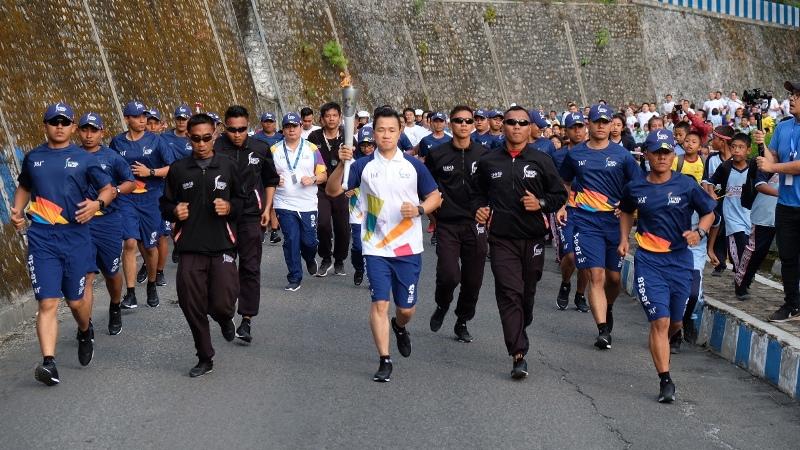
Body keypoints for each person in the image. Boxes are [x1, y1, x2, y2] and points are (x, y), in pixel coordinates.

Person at [326, 107, 442, 383]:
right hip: (375, 245)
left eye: (392, 130)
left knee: (406, 309)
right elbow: (332, 191)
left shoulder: (413, 166)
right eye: (381, 130)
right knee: (380, 303)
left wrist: (420, 210)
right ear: (373, 132)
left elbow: (436, 196)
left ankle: (400, 327)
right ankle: (385, 359)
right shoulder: (362, 165)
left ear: (400, 133)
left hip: (407, 247)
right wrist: (342, 164)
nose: (386, 135)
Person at [11, 103, 115, 385]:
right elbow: (24, 186)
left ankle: (84, 330)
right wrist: (18, 211)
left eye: (64, 122)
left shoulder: (84, 158)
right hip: (42, 237)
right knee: (47, 302)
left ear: (72, 127)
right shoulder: (33, 158)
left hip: (76, 236)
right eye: (53, 122)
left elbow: (108, 188)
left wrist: (97, 204)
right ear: (45, 126)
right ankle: (49, 363)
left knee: (76, 301)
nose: (59, 126)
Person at [618, 129, 716, 403]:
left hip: (680, 261)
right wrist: (624, 239)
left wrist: (700, 233)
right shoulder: (635, 187)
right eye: (656, 152)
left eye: (667, 152)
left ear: (674, 155)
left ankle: (671, 336)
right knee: (659, 321)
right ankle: (665, 380)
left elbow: (709, 211)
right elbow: (626, 210)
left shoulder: (685, 184)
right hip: (649, 261)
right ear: (646, 154)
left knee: (674, 321)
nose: (662, 157)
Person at [472, 105, 568, 378]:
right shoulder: (490, 162)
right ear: (502, 126)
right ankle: (518, 353)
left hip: (533, 238)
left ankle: (522, 320)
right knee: (508, 292)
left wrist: (540, 202)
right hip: (501, 239)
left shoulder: (541, 160)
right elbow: (477, 194)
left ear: (530, 128)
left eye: (522, 123)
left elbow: (559, 195)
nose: (516, 126)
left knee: (526, 293)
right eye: (511, 122)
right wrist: (480, 208)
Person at [160, 113, 244, 377]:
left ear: (215, 136)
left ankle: (223, 317)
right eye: (195, 138)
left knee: (222, 303)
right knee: (190, 304)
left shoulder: (228, 166)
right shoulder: (178, 169)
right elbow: (164, 205)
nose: (201, 143)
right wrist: (175, 211)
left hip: (222, 246)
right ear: (189, 138)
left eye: (206, 138)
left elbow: (244, 202)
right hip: (190, 248)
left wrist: (230, 206)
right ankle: (205, 356)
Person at [558, 104, 641, 350]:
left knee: (613, 279)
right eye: (597, 121)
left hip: (613, 223)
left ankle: (609, 305)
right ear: (589, 124)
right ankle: (603, 330)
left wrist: (625, 205)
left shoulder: (623, 155)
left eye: (606, 122)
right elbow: (565, 180)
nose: (602, 126)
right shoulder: (575, 155)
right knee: (596, 275)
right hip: (585, 221)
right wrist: (566, 203)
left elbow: (637, 185)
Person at [214, 105, 280, 343]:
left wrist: (267, 208)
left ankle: (247, 320)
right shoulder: (215, 148)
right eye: (232, 130)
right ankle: (225, 314)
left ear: (248, 127)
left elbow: (271, 180)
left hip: (252, 215)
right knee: (223, 270)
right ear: (224, 128)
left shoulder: (261, 148)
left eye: (242, 129)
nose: (237, 134)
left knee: (250, 268)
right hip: (221, 218)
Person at [424, 106, 487, 342]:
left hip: (475, 225)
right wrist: (433, 218)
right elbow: (426, 188)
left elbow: (492, 189)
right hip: (447, 224)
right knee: (449, 275)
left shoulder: (484, 154)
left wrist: (488, 211)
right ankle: (442, 305)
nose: (463, 124)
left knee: (473, 280)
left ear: (472, 124)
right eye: (458, 120)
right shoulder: (438, 154)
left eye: (467, 120)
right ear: (450, 123)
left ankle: (462, 319)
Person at [110, 101, 175, 309]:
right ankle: (130, 293)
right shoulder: (117, 142)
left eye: (144, 116)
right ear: (127, 118)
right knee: (129, 242)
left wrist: (151, 173)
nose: (142, 120)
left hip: (151, 198)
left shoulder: (156, 141)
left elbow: (173, 167)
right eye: (137, 116)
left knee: (150, 246)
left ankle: (152, 283)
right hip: (127, 198)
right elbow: (111, 168)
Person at [77, 113, 135, 336]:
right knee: (87, 276)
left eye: (94, 130)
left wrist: (115, 191)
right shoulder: (71, 157)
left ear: (102, 132)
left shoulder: (112, 158)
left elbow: (130, 181)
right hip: (82, 223)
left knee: (111, 272)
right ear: (78, 131)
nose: (89, 135)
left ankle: (115, 305)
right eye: (85, 130)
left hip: (108, 221)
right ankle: (86, 325)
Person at [755, 80, 800, 322]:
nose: (791, 99)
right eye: (791, 95)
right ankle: (792, 304)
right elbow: (774, 155)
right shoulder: (784, 127)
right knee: (788, 257)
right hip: (786, 204)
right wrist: (763, 145)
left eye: (797, 95)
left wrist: (772, 166)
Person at [271, 112, 327, 291]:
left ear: (300, 127)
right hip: (283, 202)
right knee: (291, 239)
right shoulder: (274, 150)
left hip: (308, 203)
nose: (291, 130)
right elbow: (266, 174)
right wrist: (273, 179)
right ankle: (295, 277)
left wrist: (312, 179)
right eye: (287, 127)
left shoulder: (312, 149)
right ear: (283, 129)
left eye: (294, 126)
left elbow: (323, 174)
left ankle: (309, 258)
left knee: (309, 242)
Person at [307, 102, 356, 277]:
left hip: (342, 189)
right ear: (321, 119)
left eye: (335, 115)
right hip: (320, 189)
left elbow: (356, 165)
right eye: (327, 116)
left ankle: (340, 260)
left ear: (340, 117)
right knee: (323, 224)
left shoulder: (348, 137)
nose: (331, 119)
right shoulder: (314, 137)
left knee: (343, 227)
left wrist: (353, 187)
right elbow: (308, 161)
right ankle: (326, 257)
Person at [706, 133, 752, 296]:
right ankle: (740, 285)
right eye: (734, 147)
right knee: (738, 249)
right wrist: (712, 193)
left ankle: (744, 278)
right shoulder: (725, 167)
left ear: (748, 150)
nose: (737, 151)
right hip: (731, 216)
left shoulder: (752, 167)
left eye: (741, 147)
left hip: (749, 215)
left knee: (748, 250)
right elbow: (710, 182)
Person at [554, 112, 590, 312]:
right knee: (570, 256)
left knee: (584, 256)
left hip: (590, 211)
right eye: (573, 127)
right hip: (566, 210)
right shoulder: (558, 155)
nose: (577, 131)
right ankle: (566, 283)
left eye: (580, 127)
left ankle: (580, 294)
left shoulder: (593, 152)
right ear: (566, 131)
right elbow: (553, 181)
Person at [347, 127, 377, 286]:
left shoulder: (383, 162)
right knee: (358, 246)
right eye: (364, 145)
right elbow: (347, 187)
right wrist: (349, 190)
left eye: (370, 145)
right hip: (358, 209)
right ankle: (359, 268)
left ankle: (373, 278)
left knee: (374, 246)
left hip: (376, 208)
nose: (367, 148)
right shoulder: (354, 164)